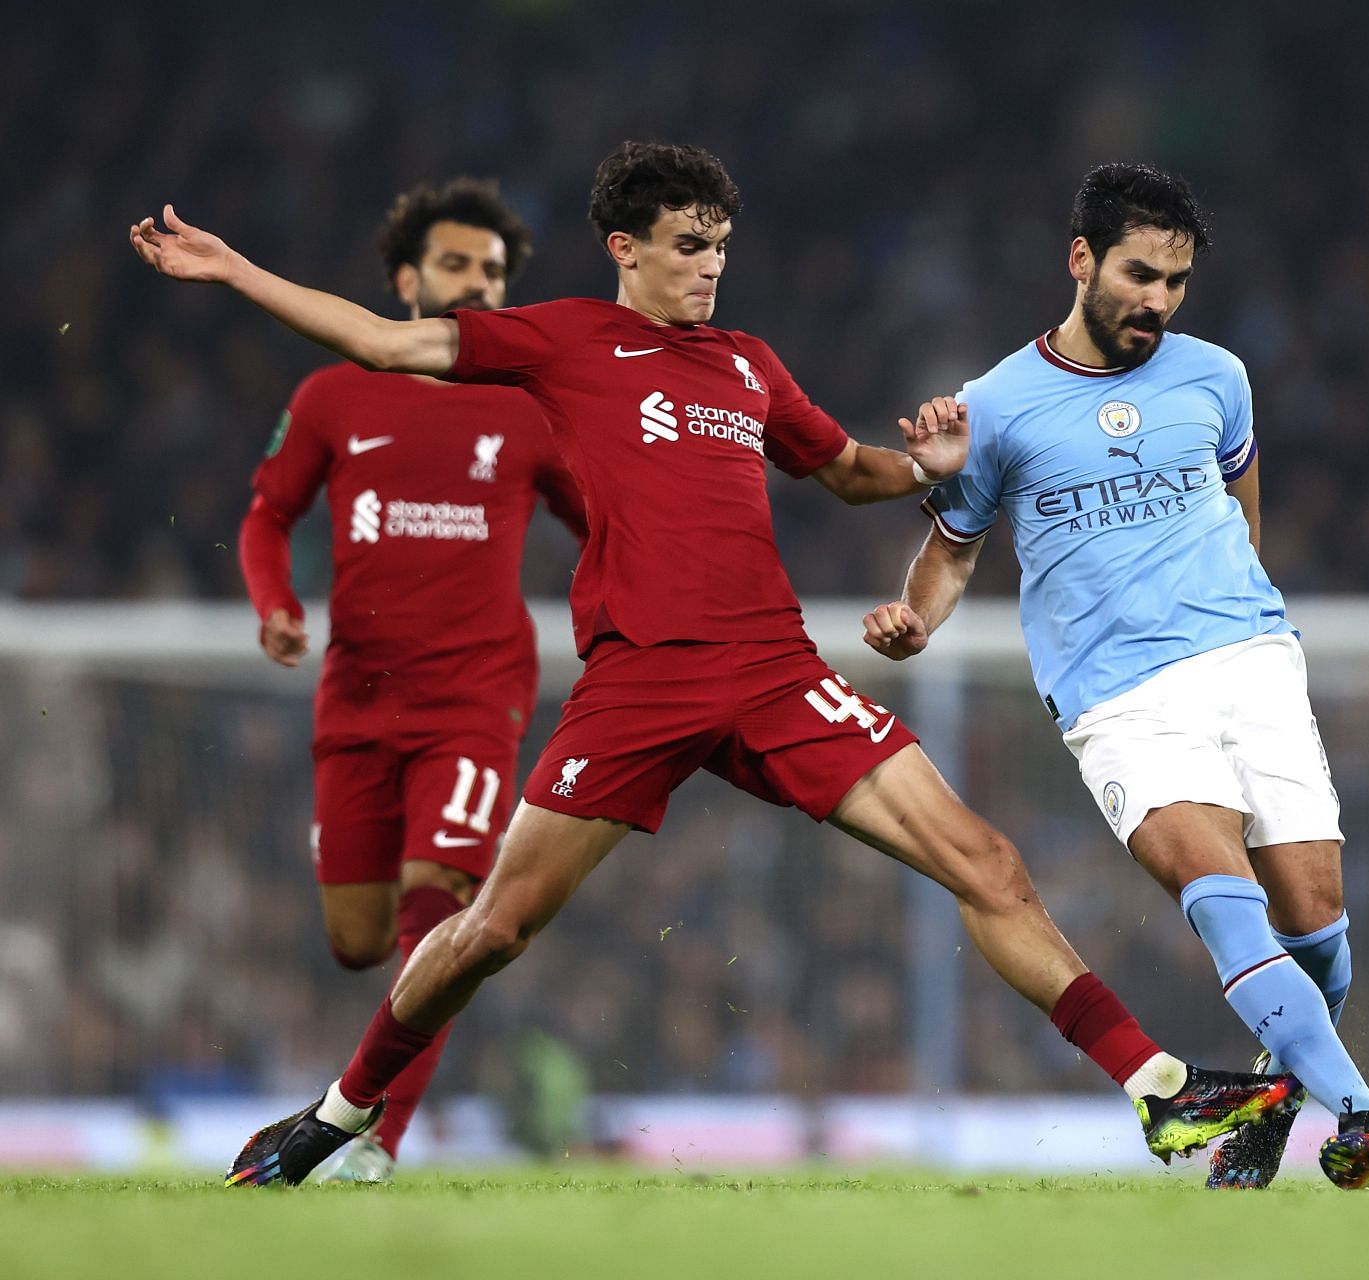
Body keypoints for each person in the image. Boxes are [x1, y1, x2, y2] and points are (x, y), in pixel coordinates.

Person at [130, 141, 1290, 1187]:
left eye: (722, 248)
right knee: (490, 930)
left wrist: (928, 462)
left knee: (986, 859)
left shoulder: (746, 364)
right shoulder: (562, 339)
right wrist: (236, 271)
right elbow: (387, 340)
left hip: (774, 669)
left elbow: (843, 469)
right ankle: (339, 1115)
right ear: (625, 248)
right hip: (640, 680)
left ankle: (1159, 1089)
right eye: (690, 247)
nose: (709, 269)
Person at [861, 163, 1369, 1190]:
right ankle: (1364, 1118)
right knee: (1221, 897)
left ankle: (1266, 1111)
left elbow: (1243, 508)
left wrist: (1244, 619)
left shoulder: (1218, 375)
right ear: (1081, 261)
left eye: (1175, 281)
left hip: (1251, 661)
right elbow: (951, 552)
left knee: (1317, 920)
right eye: (1138, 274)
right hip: (1119, 694)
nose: (1157, 301)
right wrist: (914, 619)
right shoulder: (993, 407)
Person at [236, 178, 587, 1181]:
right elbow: (266, 513)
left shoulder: (529, 410)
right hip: (354, 698)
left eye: (492, 271)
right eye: (456, 265)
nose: (477, 283)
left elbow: (605, 525)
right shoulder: (335, 394)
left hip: (477, 699)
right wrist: (274, 600)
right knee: (358, 938)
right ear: (405, 278)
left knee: (441, 902)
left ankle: (371, 1140)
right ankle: (369, 1108)